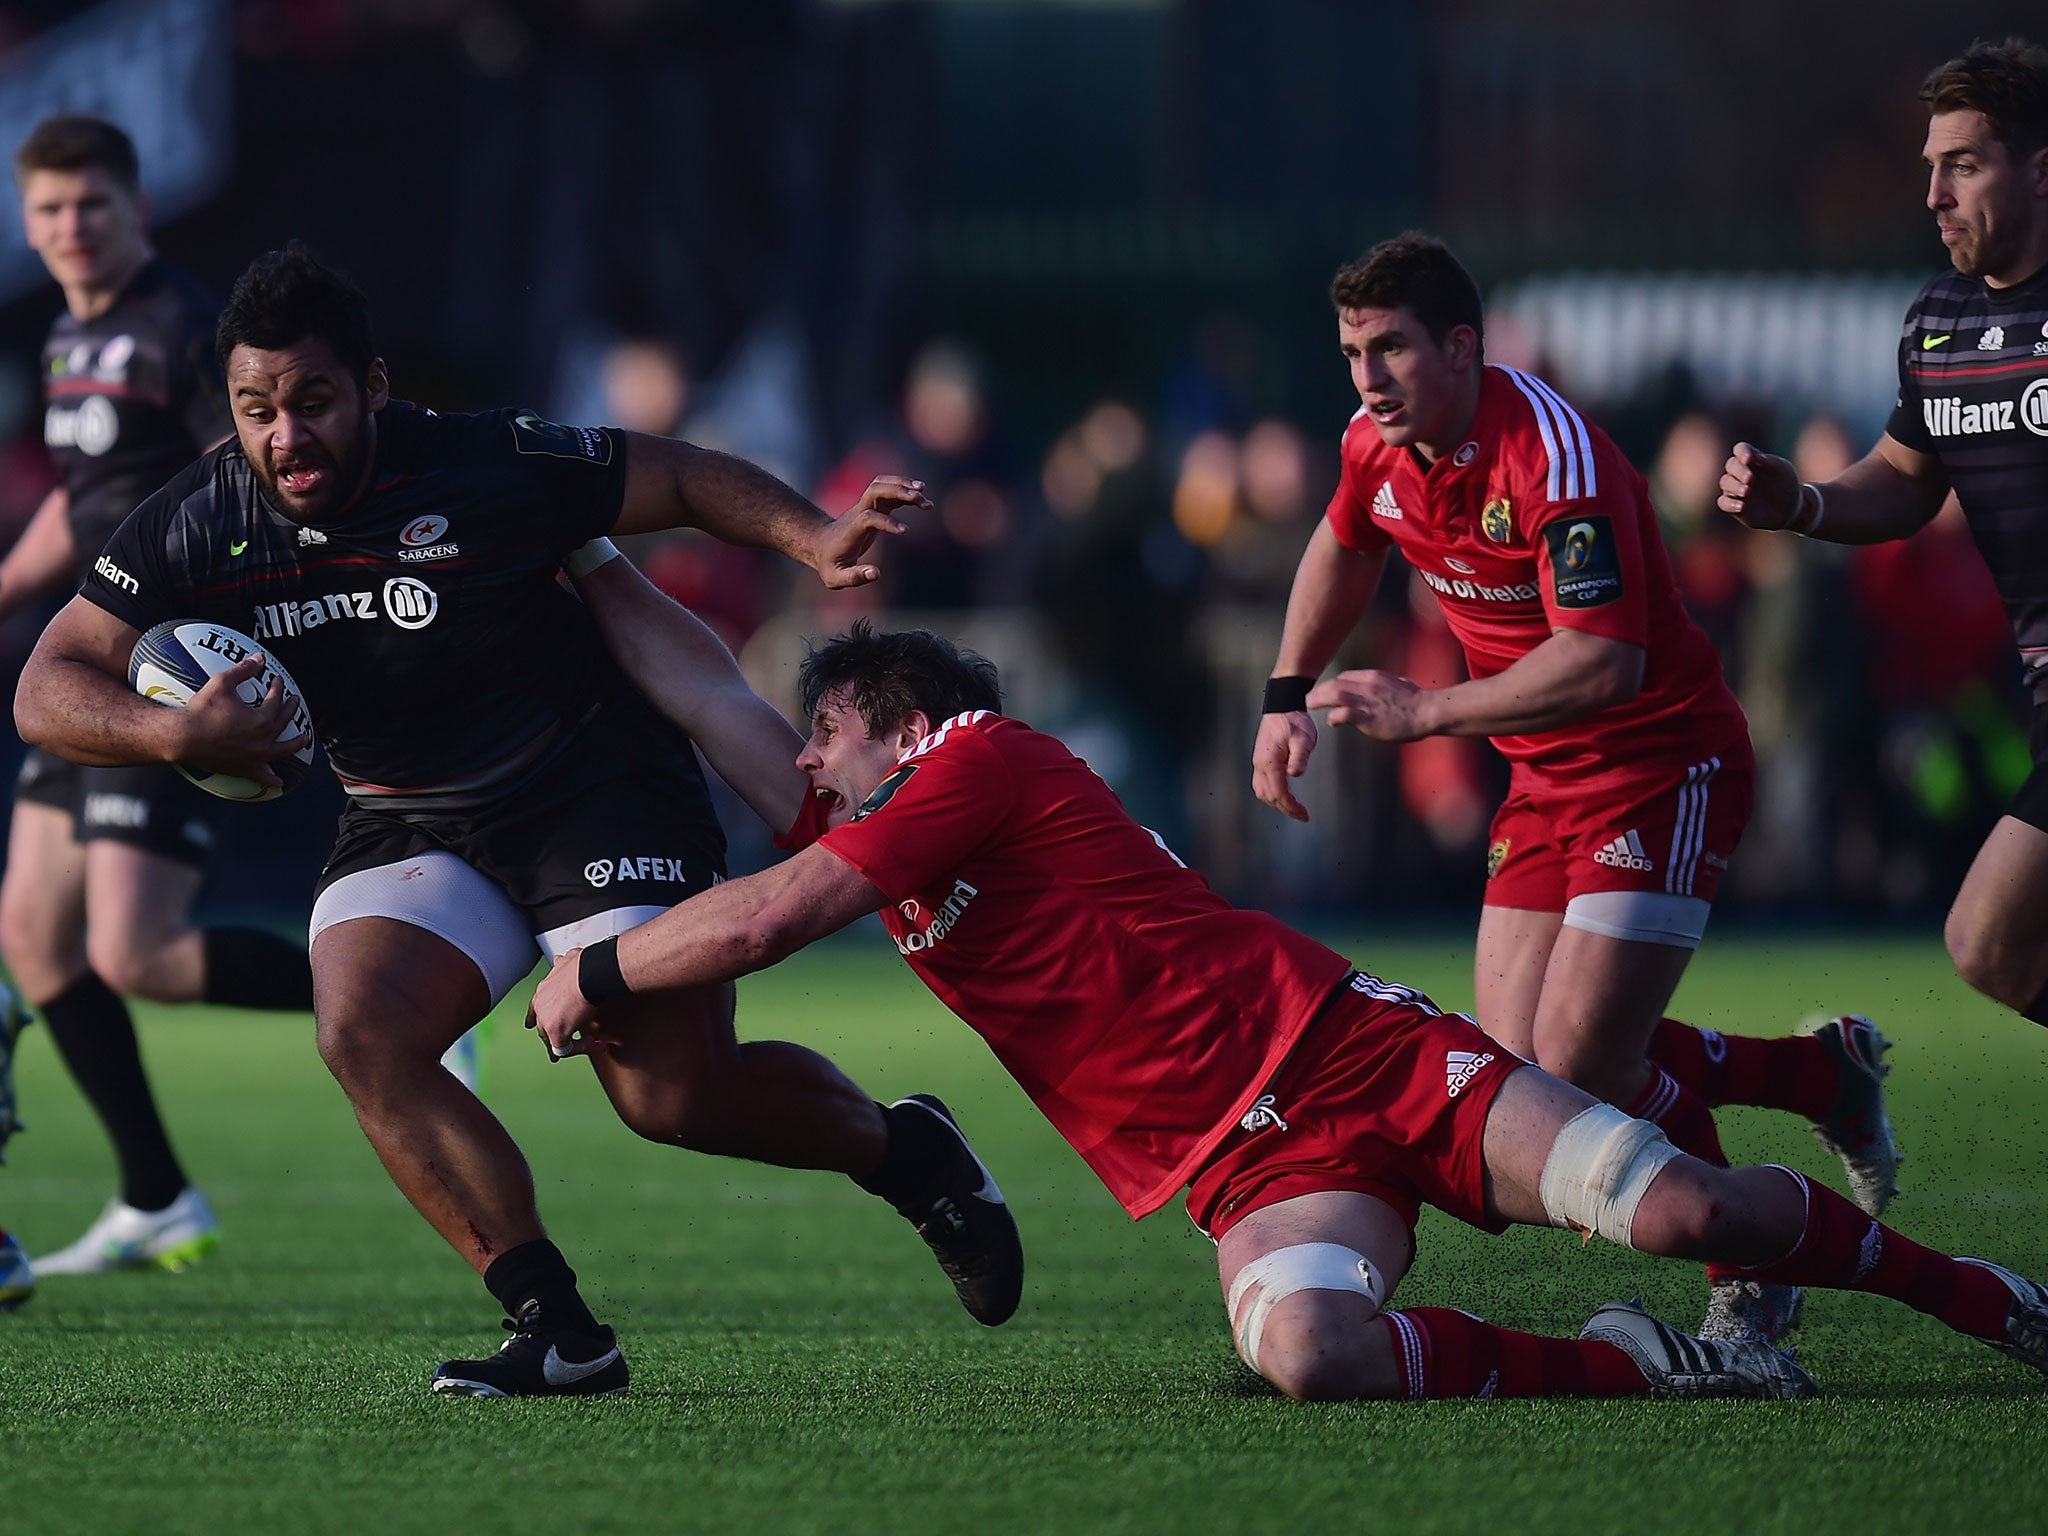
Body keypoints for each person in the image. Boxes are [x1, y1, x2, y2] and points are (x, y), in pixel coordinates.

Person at [526, 599, 2048, 1403]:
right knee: (1313, 1358)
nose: (804, 763)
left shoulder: (975, 759)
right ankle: (1645, 1366)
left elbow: (773, 916)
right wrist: (596, 563)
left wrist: (588, 971)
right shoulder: (891, 826)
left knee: (1693, 1219)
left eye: (831, 735)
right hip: (1243, 1169)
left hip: (1349, 1052)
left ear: (908, 727)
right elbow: (716, 703)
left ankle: (1992, 1301)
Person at [14, 244, 1022, 1396]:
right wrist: (169, 738)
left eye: (312, 401)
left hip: (587, 786)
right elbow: (48, 684)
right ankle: (556, 1328)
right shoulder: (198, 517)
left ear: (374, 389)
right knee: (361, 1032)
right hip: (409, 818)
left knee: (670, 1099)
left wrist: (810, 536)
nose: (285, 435)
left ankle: (907, 1151)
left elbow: (680, 474)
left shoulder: (483, 462)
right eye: (256, 409)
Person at [1245, 232, 1898, 1344]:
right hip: (1543, 784)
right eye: (1353, 351)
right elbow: (1343, 544)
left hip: (1658, 767)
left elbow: (1605, 660)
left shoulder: (1550, 453)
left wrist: (1428, 711)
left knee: (1585, 1059)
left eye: (1391, 348)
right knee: (1529, 1071)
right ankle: (1817, 1073)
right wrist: (1281, 694)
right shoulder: (1374, 444)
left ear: (1461, 345)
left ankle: (1750, 1263)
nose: (1367, 377)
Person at [0, 115, 321, 1278]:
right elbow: (84, 503)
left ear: (136, 204)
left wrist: (215, 657)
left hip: (159, 664)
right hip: (83, 666)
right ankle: (155, 1196)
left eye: (91, 204)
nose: (70, 228)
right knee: (33, 938)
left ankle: (412, 1011)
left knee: (134, 951)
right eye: (48, 210)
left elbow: (247, 475)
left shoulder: (187, 330)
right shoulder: (62, 341)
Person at [1720, 38, 2048, 1027]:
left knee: (1981, 936)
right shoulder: (1935, 324)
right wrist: (1804, 504)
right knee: (1988, 947)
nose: (1932, 195)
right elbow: (1904, 481)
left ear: (2038, 172)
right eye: (1927, 169)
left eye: (1962, 164)